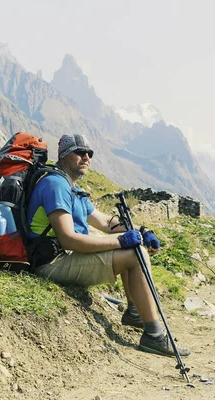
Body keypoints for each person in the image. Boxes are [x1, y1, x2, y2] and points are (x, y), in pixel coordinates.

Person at [26, 133, 190, 357]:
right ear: (64, 156)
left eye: (89, 153)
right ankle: (153, 335)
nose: (86, 157)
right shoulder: (56, 186)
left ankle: (135, 313)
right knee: (135, 254)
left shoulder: (72, 188)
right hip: (49, 263)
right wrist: (121, 240)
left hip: (61, 257)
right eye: (79, 152)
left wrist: (140, 230)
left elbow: (104, 222)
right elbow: (68, 239)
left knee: (132, 248)